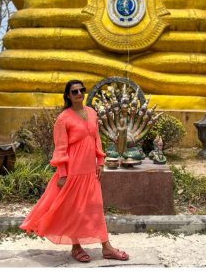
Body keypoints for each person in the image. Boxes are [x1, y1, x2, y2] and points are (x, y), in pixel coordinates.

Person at [20, 80, 129, 263]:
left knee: (95, 208)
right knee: (73, 210)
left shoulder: (92, 113)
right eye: (75, 91)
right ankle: (76, 247)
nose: (79, 93)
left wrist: (100, 161)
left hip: (90, 171)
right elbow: (60, 149)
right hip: (73, 172)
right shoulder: (63, 119)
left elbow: (96, 139)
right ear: (68, 96)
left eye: (81, 90)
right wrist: (63, 174)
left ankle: (107, 247)